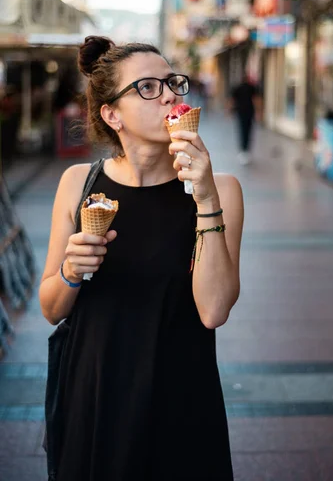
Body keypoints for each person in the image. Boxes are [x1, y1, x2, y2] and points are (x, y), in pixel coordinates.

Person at [39, 36, 243, 481]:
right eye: (147, 87)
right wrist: (71, 271)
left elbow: (214, 310)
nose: (170, 93)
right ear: (113, 115)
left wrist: (205, 195)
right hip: (94, 390)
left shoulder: (221, 189)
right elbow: (51, 308)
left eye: (172, 82)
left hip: (181, 393)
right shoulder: (78, 183)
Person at [229, 76, 262, 165]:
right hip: (248, 112)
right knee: (248, 131)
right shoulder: (251, 88)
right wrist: (258, 112)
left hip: (241, 112)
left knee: (242, 130)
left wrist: (229, 110)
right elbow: (256, 100)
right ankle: (245, 150)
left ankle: (243, 150)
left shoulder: (239, 87)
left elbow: (232, 100)